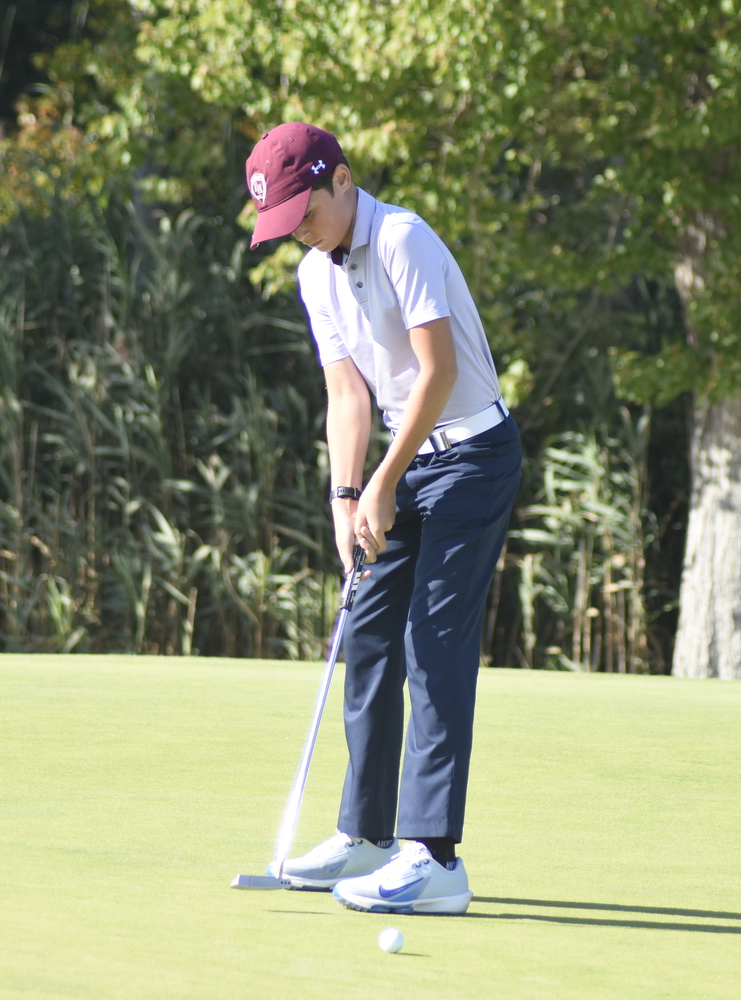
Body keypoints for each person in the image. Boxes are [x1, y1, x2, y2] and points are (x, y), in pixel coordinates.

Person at [243, 123, 522, 915]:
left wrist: (383, 484)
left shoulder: (404, 238)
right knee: (367, 632)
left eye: (305, 209)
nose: (299, 228)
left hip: (471, 455)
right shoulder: (315, 276)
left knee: (431, 643)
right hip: (405, 465)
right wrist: (344, 495)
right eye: (284, 220)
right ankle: (363, 837)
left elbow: (439, 374)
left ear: (342, 180)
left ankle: (434, 858)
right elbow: (347, 396)